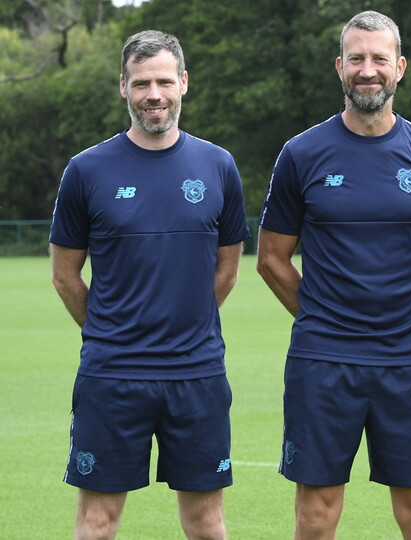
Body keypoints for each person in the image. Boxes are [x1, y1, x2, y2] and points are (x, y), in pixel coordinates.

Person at [256, 10, 411, 540]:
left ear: (400, 67)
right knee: (316, 512)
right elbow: (271, 258)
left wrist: (409, 314)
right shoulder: (302, 153)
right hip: (323, 358)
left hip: (410, 358)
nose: (368, 69)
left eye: (379, 58)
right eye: (357, 58)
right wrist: (322, 315)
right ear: (340, 67)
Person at [49, 30, 249, 540]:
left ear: (183, 83)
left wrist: (191, 322)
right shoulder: (86, 170)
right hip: (112, 375)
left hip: (197, 373)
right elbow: (65, 274)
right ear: (123, 87)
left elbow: (227, 266)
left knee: (206, 522)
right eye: (141, 84)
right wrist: (109, 331)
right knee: (97, 522)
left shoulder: (219, 166)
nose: (153, 94)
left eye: (164, 81)